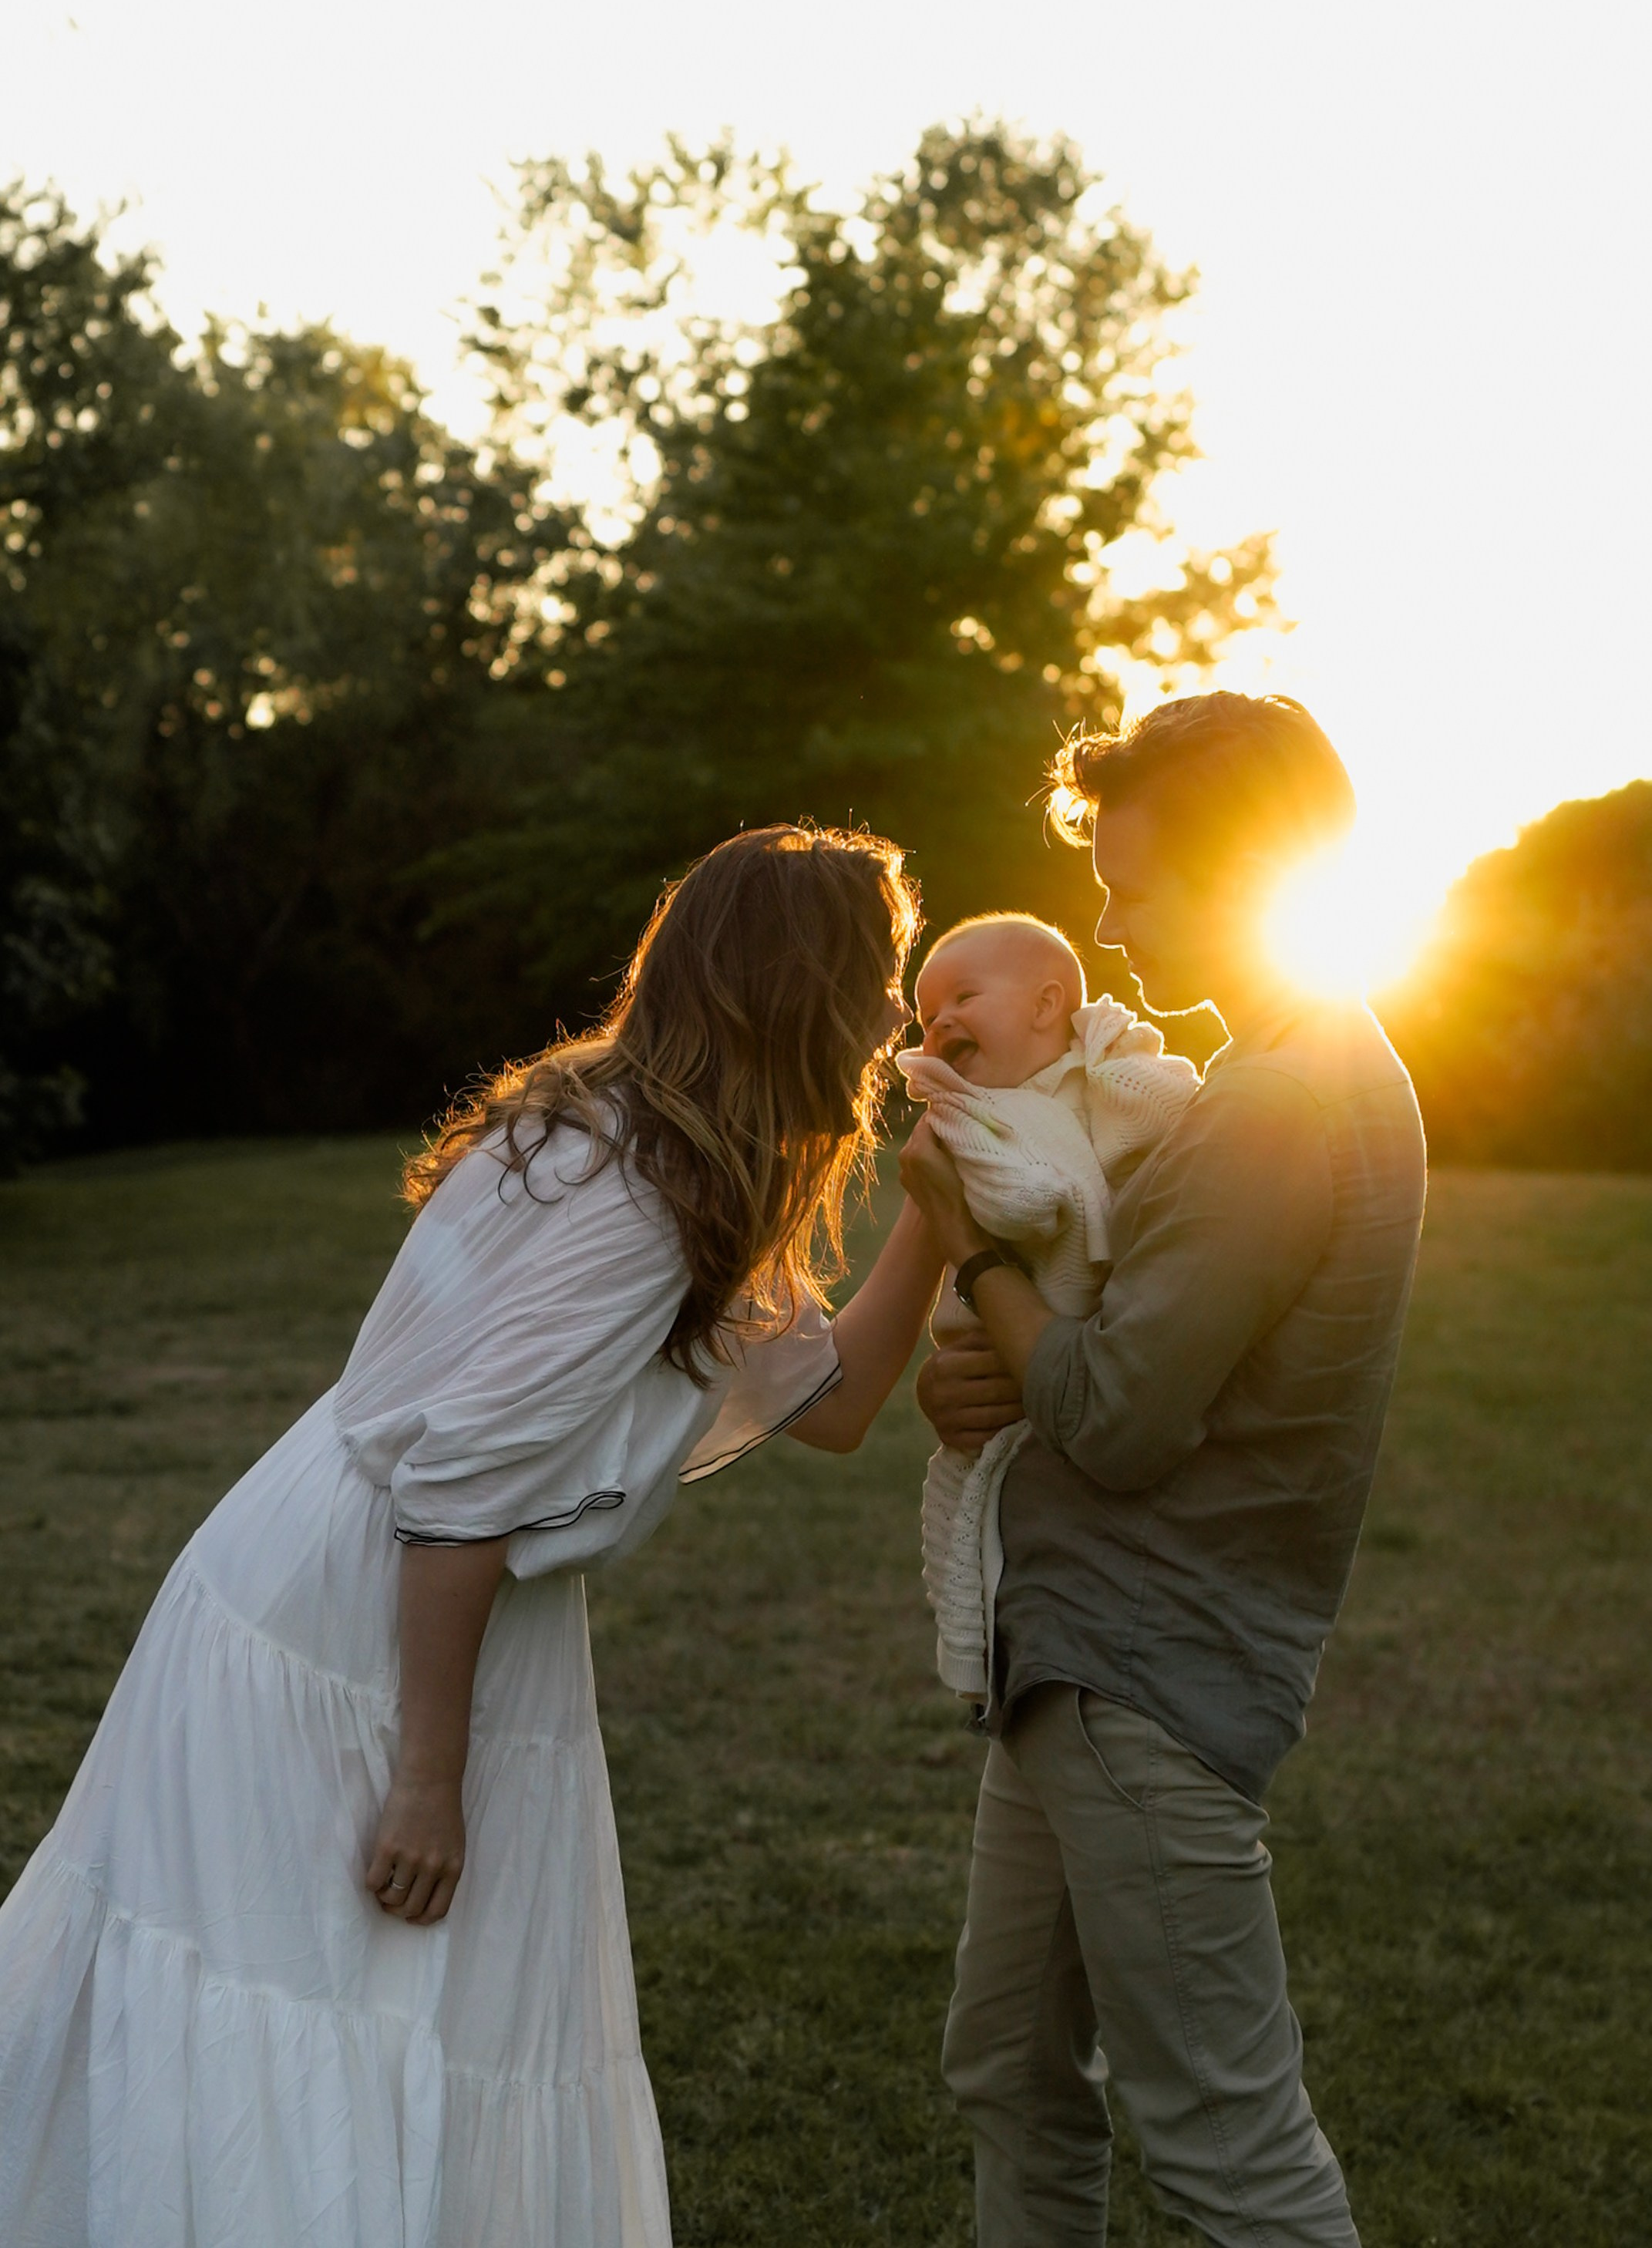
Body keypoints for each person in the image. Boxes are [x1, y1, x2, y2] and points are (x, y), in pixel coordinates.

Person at [0, 824, 947, 2248]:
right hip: (362, 1613)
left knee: (379, 2016)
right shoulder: (639, 1201)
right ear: (797, 992)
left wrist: (940, 1200)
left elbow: (835, 1403)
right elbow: (452, 1494)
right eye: (879, 979)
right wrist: (427, 1779)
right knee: (320, 2004)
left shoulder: (634, 1139)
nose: (897, 1014)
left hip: (354, 1571)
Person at [900, 694, 1428, 2248]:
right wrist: (995, 1357)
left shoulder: (1282, 1104)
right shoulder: (1256, 1077)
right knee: (1009, 2071)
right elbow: (1099, 1358)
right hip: (1073, 1659)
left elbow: (1119, 1417)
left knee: (1226, 2160)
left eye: (1137, 885)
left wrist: (974, 1239)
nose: (1107, 921)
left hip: (1150, 1678)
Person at [894, 916, 1197, 1703]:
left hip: (1095, 1362)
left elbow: (1168, 1112)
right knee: (983, 1513)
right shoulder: (964, 1114)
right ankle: (980, 1656)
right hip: (999, 1347)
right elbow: (1025, 1199)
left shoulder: (1106, 1074)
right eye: (929, 1017)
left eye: (964, 997)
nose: (943, 1023)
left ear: (1044, 1006)